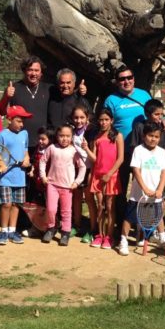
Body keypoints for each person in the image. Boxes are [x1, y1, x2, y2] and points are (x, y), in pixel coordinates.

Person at [103, 66, 153, 229]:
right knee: (120, 189)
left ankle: (143, 226)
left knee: (144, 187)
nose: (126, 81)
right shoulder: (111, 99)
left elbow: (155, 114)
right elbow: (106, 123)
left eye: (129, 77)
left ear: (134, 78)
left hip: (142, 151)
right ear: (117, 82)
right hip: (120, 153)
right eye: (122, 79)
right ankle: (122, 224)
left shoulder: (144, 95)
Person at [117, 122, 165, 256]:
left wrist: (160, 190)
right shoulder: (138, 150)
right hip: (138, 194)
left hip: (155, 194)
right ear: (144, 136)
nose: (153, 139)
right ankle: (123, 240)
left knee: (158, 216)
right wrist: (144, 188)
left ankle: (162, 238)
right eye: (150, 136)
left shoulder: (162, 152)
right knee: (129, 218)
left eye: (156, 137)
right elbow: (136, 170)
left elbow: (164, 173)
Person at [82, 108, 123, 249]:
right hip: (98, 177)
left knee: (110, 207)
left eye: (106, 119)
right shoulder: (97, 137)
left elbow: (121, 158)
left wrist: (110, 174)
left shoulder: (118, 136)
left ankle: (109, 237)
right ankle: (99, 235)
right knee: (100, 207)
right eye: (101, 120)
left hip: (111, 176)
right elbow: (95, 158)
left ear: (111, 120)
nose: (103, 122)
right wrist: (87, 148)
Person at [40, 124, 87, 246]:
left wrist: (77, 182)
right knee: (51, 209)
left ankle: (65, 232)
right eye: (61, 136)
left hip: (67, 187)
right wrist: (43, 176)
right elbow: (43, 161)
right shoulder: (52, 148)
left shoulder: (73, 151)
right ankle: (51, 228)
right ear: (57, 136)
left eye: (67, 136)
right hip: (52, 185)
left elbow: (82, 167)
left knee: (66, 211)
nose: (64, 139)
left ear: (71, 137)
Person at [0, 106, 32, 246]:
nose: (21, 124)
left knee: (16, 204)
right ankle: (3, 231)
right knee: (6, 204)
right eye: (18, 121)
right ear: (9, 120)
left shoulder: (24, 134)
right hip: (5, 178)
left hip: (20, 177)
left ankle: (12, 231)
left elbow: (25, 150)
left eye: (23, 122)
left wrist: (27, 159)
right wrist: (1, 164)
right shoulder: (2, 135)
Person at [0, 55, 51, 153]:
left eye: (36, 70)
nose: (33, 73)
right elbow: (1, 111)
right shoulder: (14, 88)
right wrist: (6, 96)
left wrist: (80, 92)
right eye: (30, 70)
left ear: (41, 72)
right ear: (24, 71)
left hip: (42, 142)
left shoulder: (49, 89)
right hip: (19, 141)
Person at [69, 103, 96, 242]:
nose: (78, 120)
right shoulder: (71, 131)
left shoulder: (91, 132)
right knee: (77, 198)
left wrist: (86, 149)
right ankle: (77, 225)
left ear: (87, 118)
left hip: (90, 169)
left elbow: (95, 156)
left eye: (81, 117)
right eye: (76, 117)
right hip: (75, 170)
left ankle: (93, 229)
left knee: (90, 199)